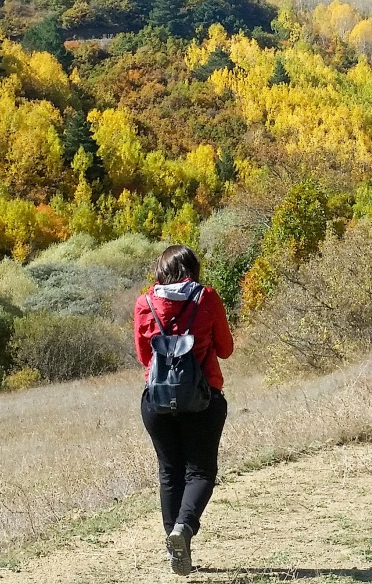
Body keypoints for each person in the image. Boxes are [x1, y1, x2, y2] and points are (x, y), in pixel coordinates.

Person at [134, 245, 235, 576]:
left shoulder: (144, 303)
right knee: (201, 472)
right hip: (202, 398)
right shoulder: (206, 297)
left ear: (161, 271)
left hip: (157, 401)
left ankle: (175, 546)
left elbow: (143, 358)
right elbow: (226, 349)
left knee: (169, 472)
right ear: (193, 269)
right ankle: (184, 530)